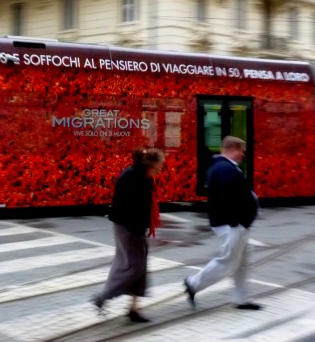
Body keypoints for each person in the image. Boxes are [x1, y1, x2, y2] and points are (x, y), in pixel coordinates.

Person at [183, 135, 262, 311]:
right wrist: (239, 222)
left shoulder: (223, 167)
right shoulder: (225, 169)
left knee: (243, 260)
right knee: (228, 261)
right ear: (232, 149)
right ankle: (193, 283)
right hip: (232, 224)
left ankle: (242, 298)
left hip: (232, 223)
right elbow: (230, 199)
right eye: (241, 150)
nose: (243, 154)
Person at [92, 147, 166, 323]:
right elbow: (132, 208)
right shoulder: (133, 178)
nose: (160, 171)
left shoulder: (142, 176)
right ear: (149, 165)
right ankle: (103, 296)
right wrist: (140, 230)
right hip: (128, 227)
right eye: (158, 168)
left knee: (138, 267)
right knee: (133, 267)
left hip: (134, 227)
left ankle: (133, 308)